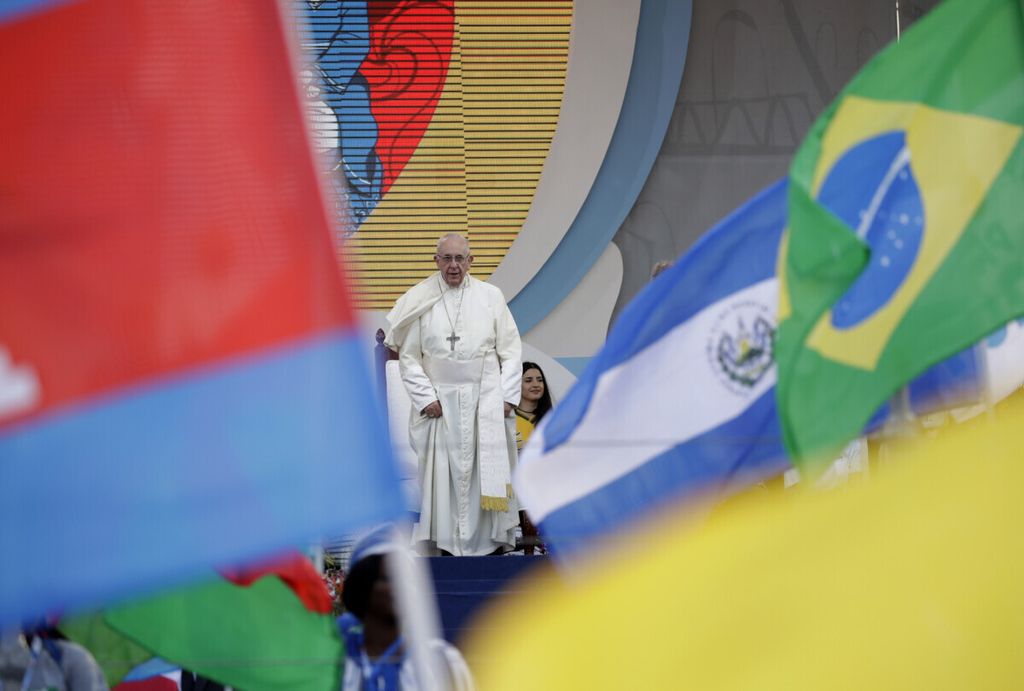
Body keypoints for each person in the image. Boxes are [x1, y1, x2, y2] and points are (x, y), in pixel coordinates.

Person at [385, 233, 522, 556]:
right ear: (436, 261)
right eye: (446, 259)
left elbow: (512, 351)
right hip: (440, 404)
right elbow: (409, 358)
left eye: (460, 258)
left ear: (471, 261)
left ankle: (491, 544)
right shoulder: (420, 299)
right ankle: (447, 544)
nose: (453, 266)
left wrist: (506, 396)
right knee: (444, 475)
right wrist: (425, 398)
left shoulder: (491, 296)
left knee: (480, 474)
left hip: (485, 398)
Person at [338, 527, 474, 690]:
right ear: (362, 586)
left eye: (406, 577)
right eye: (389, 578)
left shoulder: (443, 661)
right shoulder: (334, 662)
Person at [513, 362, 553, 555]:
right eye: (528, 380)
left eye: (539, 380)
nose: (536, 384)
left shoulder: (552, 419)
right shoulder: (508, 420)